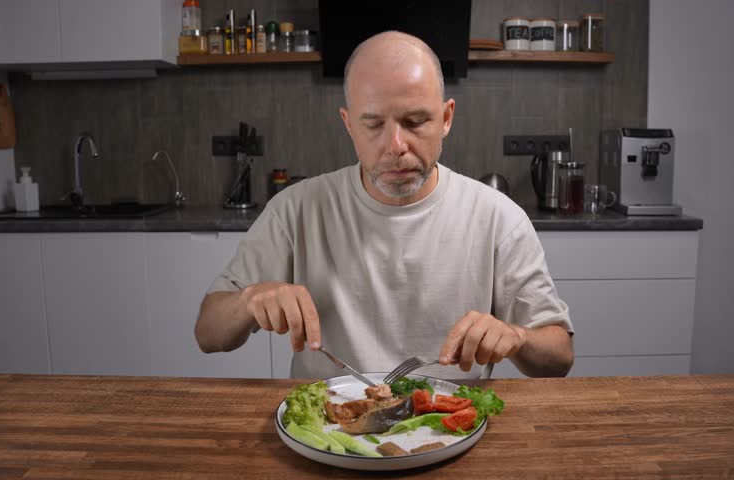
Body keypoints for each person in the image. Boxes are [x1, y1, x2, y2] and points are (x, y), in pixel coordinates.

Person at [195, 31, 574, 380]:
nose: (395, 146)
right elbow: (208, 333)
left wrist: (517, 337)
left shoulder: (498, 218)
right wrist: (249, 301)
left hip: (451, 423)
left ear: (446, 118)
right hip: (328, 427)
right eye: (373, 125)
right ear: (349, 124)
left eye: (415, 121)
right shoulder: (295, 211)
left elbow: (560, 356)